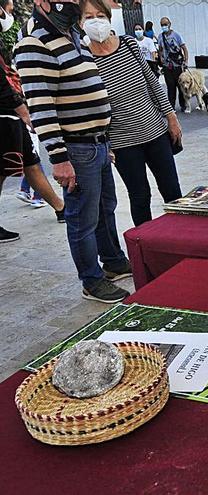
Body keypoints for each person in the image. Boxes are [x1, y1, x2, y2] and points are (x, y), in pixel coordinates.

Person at [16, 0, 132, 303]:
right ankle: (91, 281)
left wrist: (103, 139)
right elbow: (41, 108)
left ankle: (113, 262)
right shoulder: (35, 42)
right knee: (82, 217)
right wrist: (59, 158)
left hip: (95, 143)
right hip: (75, 148)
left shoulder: (71, 35)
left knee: (105, 208)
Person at [82, 0, 183, 227]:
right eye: (88, 17)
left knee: (173, 191)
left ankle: (182, 240)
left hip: (156, 132)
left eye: (100, 14)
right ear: (80, 22)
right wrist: (105, 143)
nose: (95, 21)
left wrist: (171, 117)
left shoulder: (128, 44)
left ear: (109, 17)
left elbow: (153, 83)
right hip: (122, 143)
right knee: (139, 197)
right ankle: (145, 247)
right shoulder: (84, 59)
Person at [1, 51, 65, 241]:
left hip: (11, 115)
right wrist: (25, 113)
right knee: (4, 169)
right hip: (6, 116)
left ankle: (60, 208)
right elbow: (2, 87)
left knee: (31, 163)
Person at [156, 17, 188, 112]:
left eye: (165, 24)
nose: (164, 26)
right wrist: (161, 58)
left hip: (177, 65)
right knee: (170, 87)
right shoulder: (160, 37)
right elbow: (160, 49)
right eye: (162, 25)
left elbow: (184, 49)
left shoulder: (176, 36)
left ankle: (183, 105)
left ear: (169, 24)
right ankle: (171, 107)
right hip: (167, 66)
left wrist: (186, 61)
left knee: (181, 86)